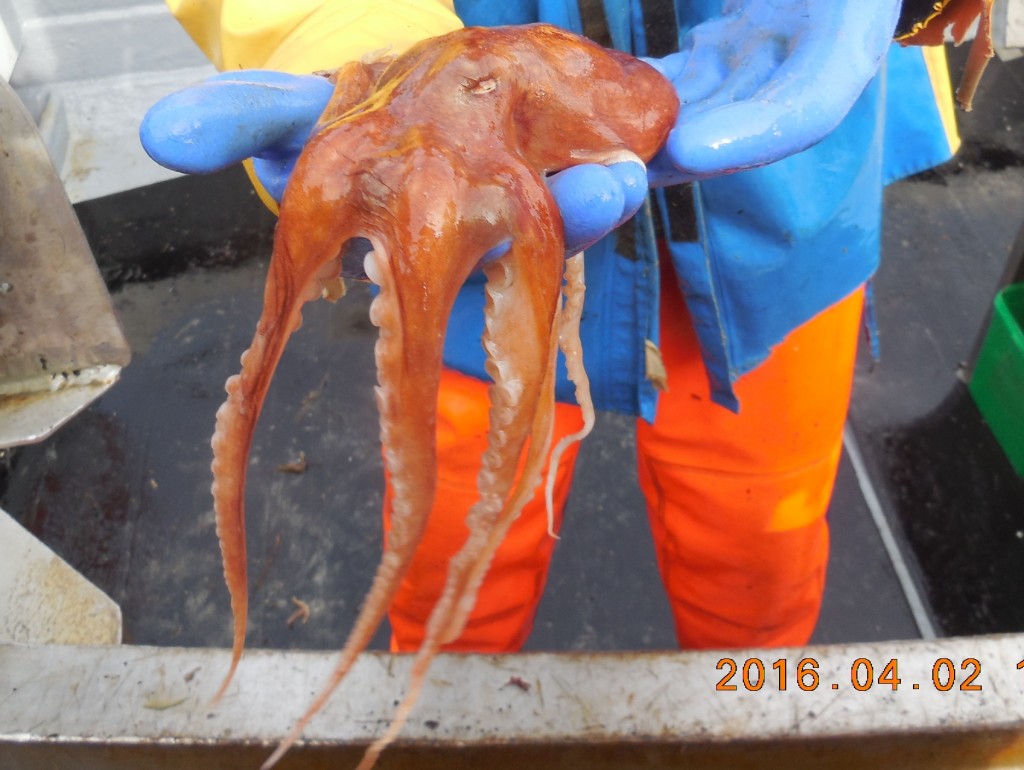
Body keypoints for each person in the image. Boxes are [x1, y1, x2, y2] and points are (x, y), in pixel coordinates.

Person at [141, 0, 961, 652]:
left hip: (785, 198)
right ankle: (444, 718)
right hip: (468, 250)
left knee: (759, 539)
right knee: (457, 539)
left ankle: (754, 712)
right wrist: (333, 26)